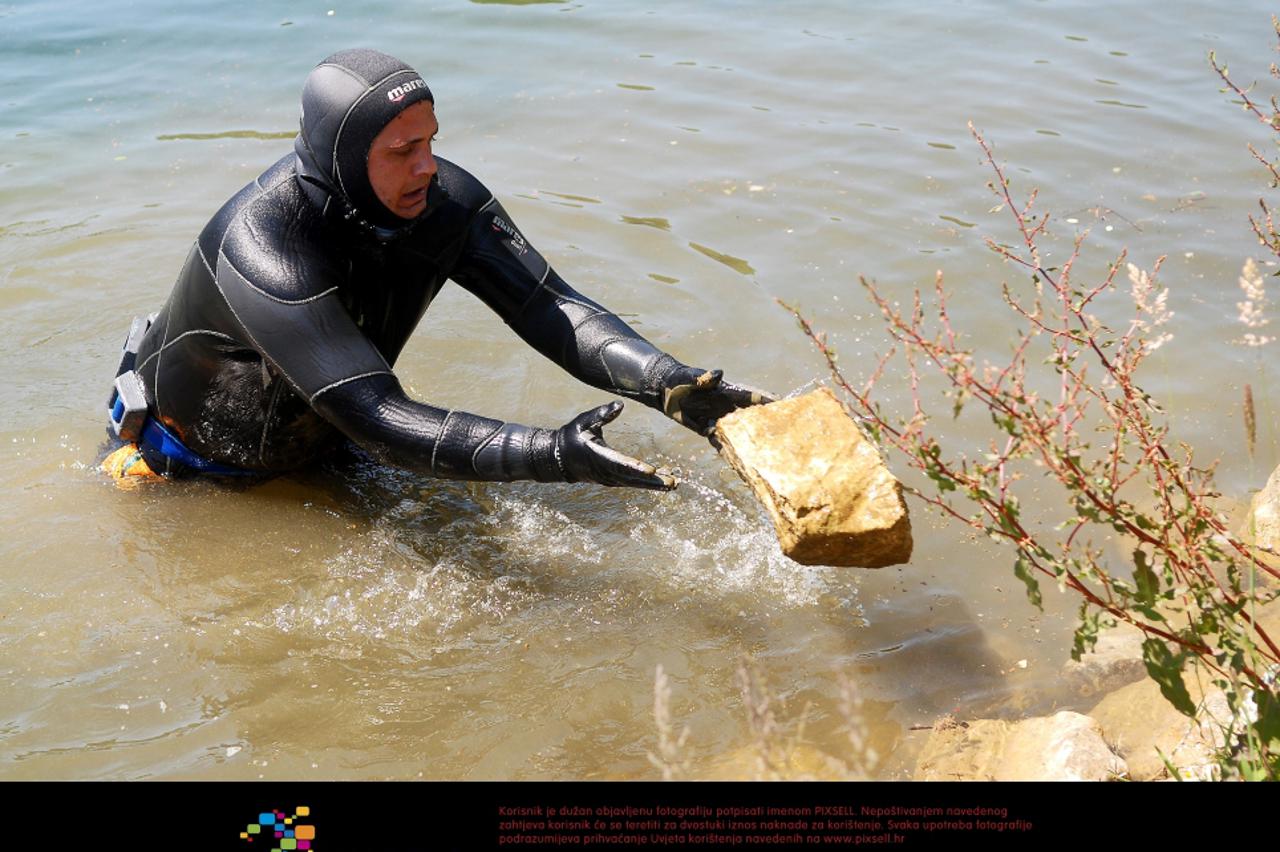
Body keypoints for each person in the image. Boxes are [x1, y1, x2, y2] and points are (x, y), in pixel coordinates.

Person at [105, 49, 770, 489]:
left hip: (328, 440)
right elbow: (377, 415)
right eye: (402, 150)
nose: (428, 165)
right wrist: (551, 455)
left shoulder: (443, 200)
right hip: (187, 470)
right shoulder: (264, 247)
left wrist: (667, 383)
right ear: (342, 158)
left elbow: (552, 307)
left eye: (431, 142)